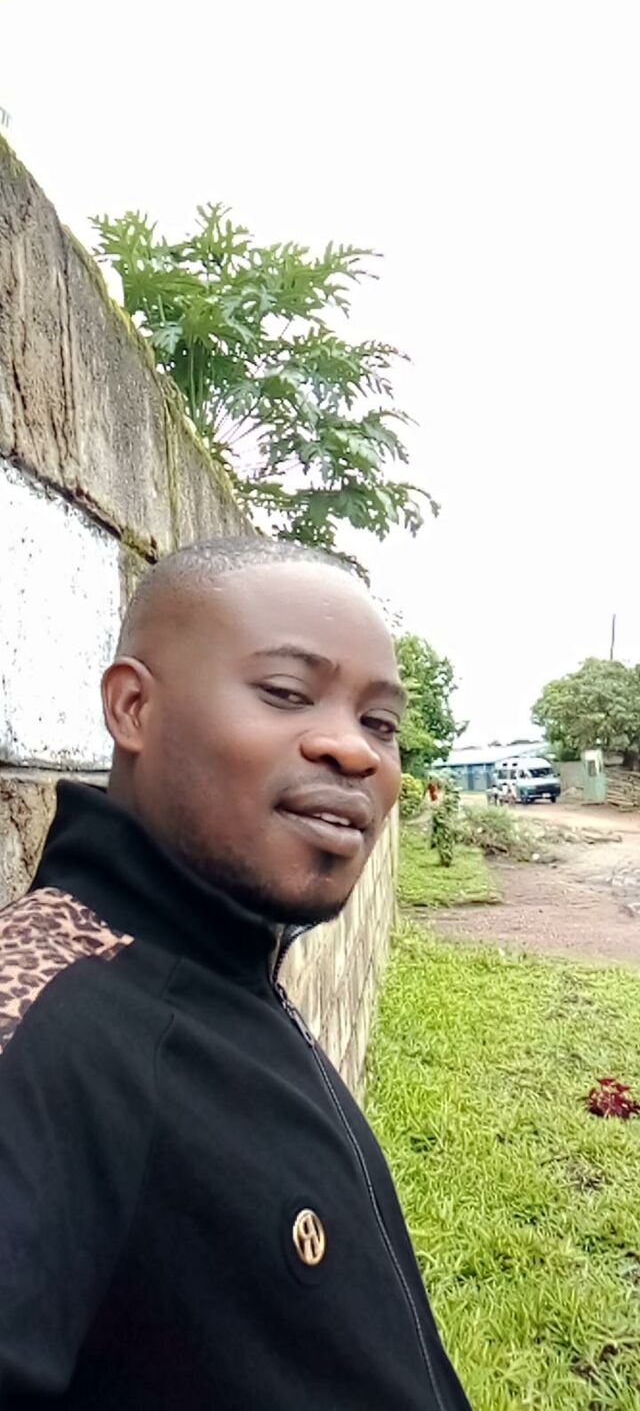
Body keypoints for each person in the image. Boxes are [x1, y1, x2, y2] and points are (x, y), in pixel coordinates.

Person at [0, 536, 471, 1410]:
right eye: (287, 693)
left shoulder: (225, 964)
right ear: (134, 707)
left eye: (380, 724)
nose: (356, 752)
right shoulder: (43, 1028)